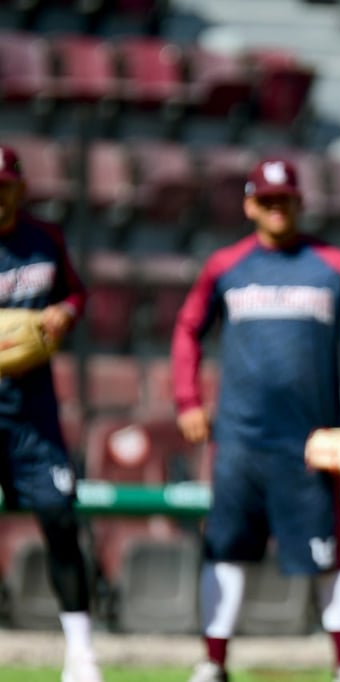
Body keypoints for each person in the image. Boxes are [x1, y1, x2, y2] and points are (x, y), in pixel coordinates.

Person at [172, 157, 340, 682]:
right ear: (249, 204)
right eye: (265, 200)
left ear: (299, 202)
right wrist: (187, 400)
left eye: (283, 199)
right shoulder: (225, 266)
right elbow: (186, 331)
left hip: (310, 444)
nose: (275, 208)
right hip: (239, 441)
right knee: (225, 548)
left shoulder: (335, 265)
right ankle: (214, 663)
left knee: (328, 552)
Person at [0, 145, 101, 682]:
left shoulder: (45, 239)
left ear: (19, 188)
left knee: (62, 521)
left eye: (4, 185)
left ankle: (81, 655)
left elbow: (77, 293)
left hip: (34, 418)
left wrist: (65, 311)